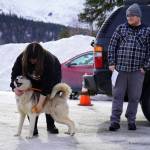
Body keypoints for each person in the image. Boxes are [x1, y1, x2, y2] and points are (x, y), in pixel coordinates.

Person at [108, 3, 150, 131]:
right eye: (127, 16)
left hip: (137, 71)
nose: (129, 18)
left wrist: (145, 67)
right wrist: (111, 63)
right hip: (120, 70)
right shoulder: (121, 29)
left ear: (138, 16)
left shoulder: (147, 31)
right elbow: (112, 46)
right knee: (118, 96)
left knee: (134, 97)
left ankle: (131, 120)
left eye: (132, 15)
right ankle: (115, 121)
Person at [10, 42, 62, 136]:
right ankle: (33, 127)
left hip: (52, 76)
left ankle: (51, 125)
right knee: (33, 102)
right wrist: (14, 88)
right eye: (30, 59)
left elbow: (47, 85)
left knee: (49, 99)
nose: (32, 61)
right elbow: (14, 73)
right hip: (33, 78)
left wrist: (40, 104)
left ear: (40, 58)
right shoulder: (21, 58)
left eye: (35, 59)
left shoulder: (48, 60)